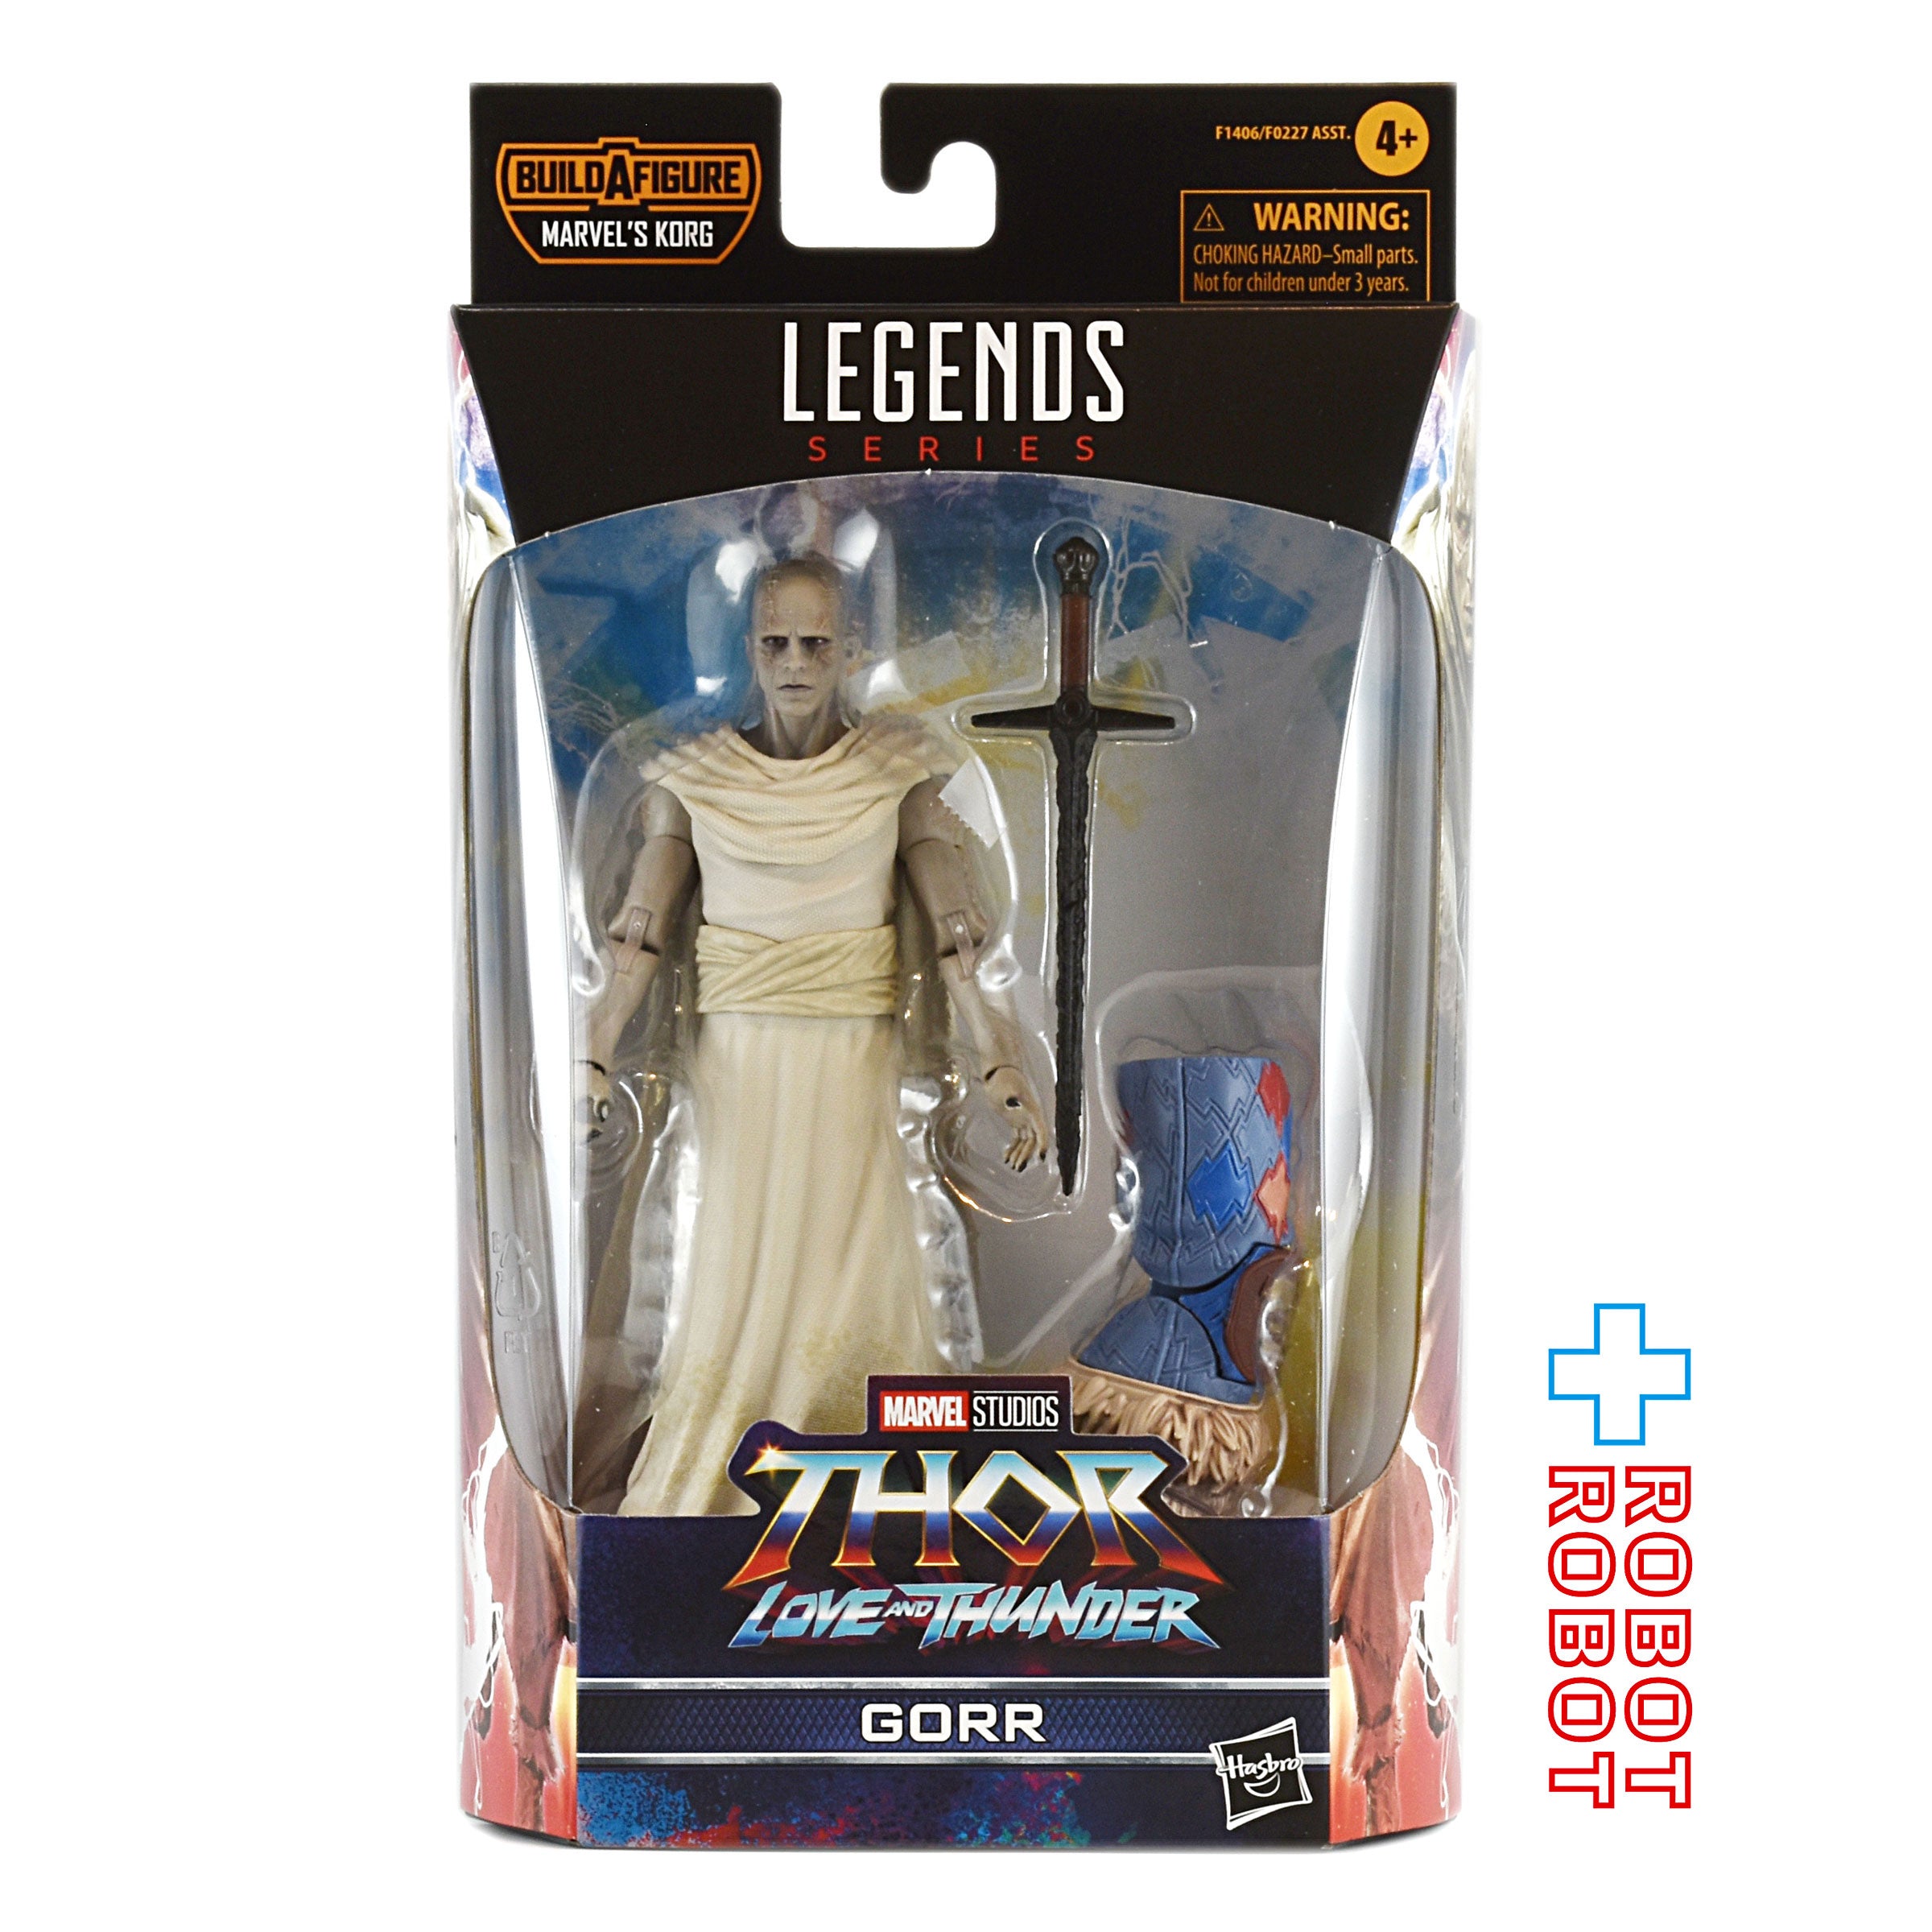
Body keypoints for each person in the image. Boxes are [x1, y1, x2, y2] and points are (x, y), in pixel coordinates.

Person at [580, 553, 1046, 1516]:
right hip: (738, 1065)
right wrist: (593, 1047)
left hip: (854, 1062)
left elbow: (960, 939)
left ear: (850, 650)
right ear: (752, 648)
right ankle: (718, 1478)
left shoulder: (898, 775)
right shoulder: (692, 781)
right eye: (777, 643)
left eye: (816, 643)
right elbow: (638, 935)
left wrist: (1001, 1057)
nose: (796, 663)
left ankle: (884, 1479)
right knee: (730, 1271)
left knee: (863, 1262)